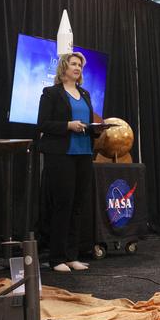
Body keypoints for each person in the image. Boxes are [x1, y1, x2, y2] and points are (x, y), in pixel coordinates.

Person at [36, 52, 99, 271]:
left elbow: (88, 124)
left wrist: (98, 129)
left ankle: (72, 256)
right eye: (73, 64)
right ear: (63, 68)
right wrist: (67, 126)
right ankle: (57, 258)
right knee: (63, 205)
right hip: (60, 155)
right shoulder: (51, 93)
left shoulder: (85, 94)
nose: (77, 68)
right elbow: (43, 124)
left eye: (80, 65)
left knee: (77, 206)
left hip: (83, 154)